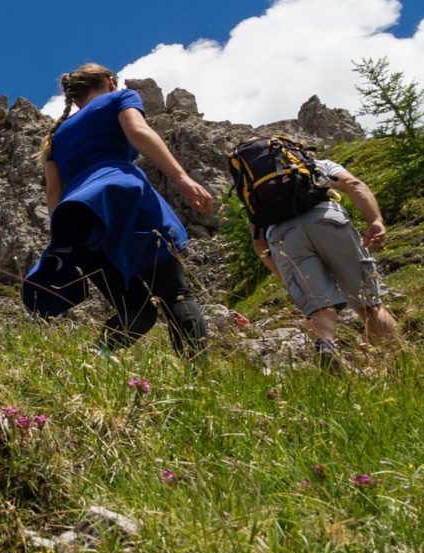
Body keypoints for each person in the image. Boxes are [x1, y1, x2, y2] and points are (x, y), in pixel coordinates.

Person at [22, 64, 214, 355]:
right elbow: (136, 130)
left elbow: (53, 192)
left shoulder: (56, 134)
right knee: (175, 294)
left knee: (135, 311)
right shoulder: (120, 97)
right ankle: (199, 379)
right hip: (122, 196)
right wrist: (181, 177)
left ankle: (93, 361)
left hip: (77, 220)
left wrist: (62, 238)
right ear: (111, 81)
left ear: (74, 98)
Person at [250, 151, 400, 370]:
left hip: (284, 236)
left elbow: (259, 244)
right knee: (368, 304)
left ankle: (327, 346)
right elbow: (354, 184)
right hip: (328, 220)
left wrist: (286, 276)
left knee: (319, 308)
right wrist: (375, 220)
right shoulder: (316, 165)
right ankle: (401, 364)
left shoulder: (256, 186)